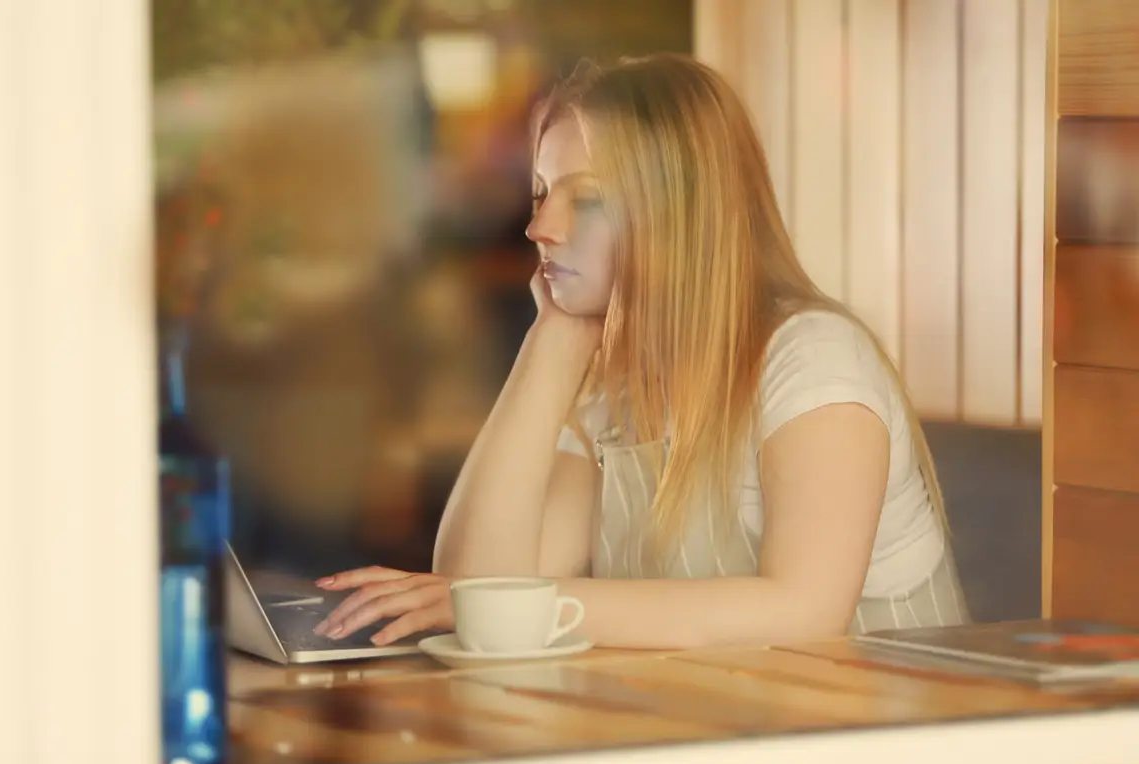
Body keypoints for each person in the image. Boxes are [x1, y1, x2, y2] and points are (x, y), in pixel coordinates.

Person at [311, 53, 971, 651]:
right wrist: (554, 341)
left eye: (586, 198)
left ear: (680, 214)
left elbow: (802, 609)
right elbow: (476, 585)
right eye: (542, 193)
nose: (538, 226)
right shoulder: (614, 384)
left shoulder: (816, 360)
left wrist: (534, 605)